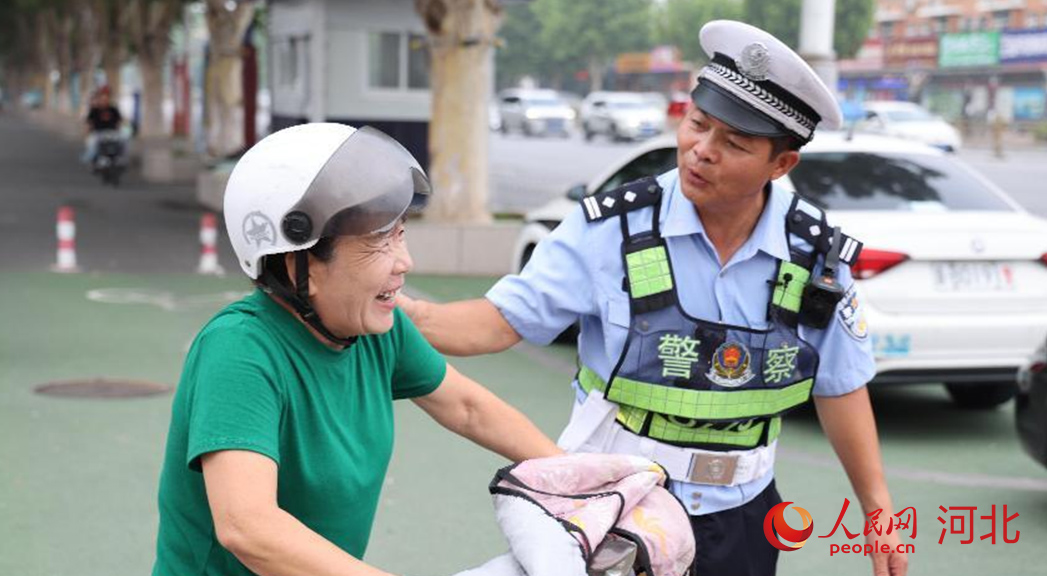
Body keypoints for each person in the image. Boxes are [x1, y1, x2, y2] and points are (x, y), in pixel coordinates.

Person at [399, 20, 907, 576]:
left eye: (733, 143)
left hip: (744, 514)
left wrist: (877, 509)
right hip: (615, 502)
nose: (700, 151)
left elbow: (840, 386)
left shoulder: (813, 255)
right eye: (697, 124)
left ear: (781, 164)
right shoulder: (611, 229)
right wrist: (403, 316)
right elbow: (499, 322)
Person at [151, 123, 561, 576]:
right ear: (298, 263)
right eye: (376, 242)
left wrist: (579, 482)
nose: (404, 262)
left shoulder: (374, 328)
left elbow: (467, 408)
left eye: (400, 233)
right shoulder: (241, 351)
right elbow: (249, 527)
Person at [82, 86, 123, 165]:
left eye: (107, 98)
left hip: (112, 133)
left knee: (123, 140)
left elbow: (120, 121)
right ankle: (91, 157)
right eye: (103, 98)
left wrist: (121, 129)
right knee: (92, 142)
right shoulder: (94, 110)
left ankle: (120, 158)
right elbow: (88, 123)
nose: (105, 100)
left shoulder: (113, 109)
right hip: (98, 133)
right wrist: (87, 133)